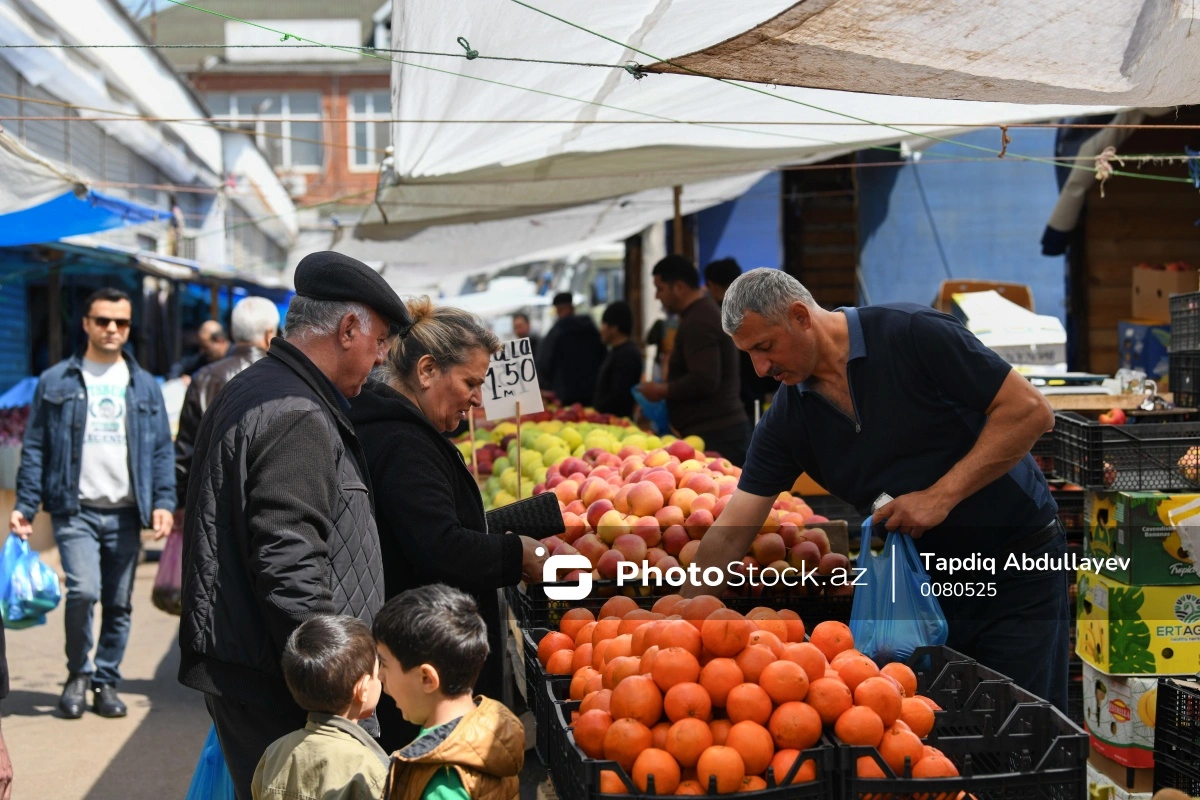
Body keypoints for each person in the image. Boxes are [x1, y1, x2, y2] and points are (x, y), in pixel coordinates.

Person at [682, 268, 1068, 711]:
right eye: (748, 355)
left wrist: (941, 495)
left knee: (1024, 729)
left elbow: (1031, 411)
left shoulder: (911, 333)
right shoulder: (788, 421)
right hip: (924, 589)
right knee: (943, 735)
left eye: (765, 347)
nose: (760, 369)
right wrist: (681, 615)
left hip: (1015, 565)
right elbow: (733, 529)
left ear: (800, 316)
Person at [178, 251, 411, 800]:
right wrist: (338, 683)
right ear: (348, 328)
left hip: (260, 666)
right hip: (283, 683)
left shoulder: (263, 386)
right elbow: (288, 559)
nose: (380, 360)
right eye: (379, 342)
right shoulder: (296, 412)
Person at [347, 299, 547, 752]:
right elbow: (439, 546)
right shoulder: (404, 443)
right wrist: (519, 554)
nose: (478, 397)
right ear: (427, 370)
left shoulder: (403, 430)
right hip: (423, 659)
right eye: (471, 382)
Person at [12, 287, 175, 720]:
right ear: (85, 324)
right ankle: (77, 675)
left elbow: (161, 449)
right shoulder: (56, 381)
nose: (112, 329)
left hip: (125, 512)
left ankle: (106, 680)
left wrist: (162, 501)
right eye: (102, 320)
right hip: (75, 509)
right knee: (83, 591)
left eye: (121, 322)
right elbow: (36, 447)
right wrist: (25, 506)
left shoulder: (144, 385)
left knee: (119, 601)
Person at [374, 584, 524, 800]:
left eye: (384, 664)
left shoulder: (442, 777)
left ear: (427, 678)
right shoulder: (490, 729)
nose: (379, 675)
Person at [251, 615, 389, 800]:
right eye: (377, 671)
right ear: (363, 689)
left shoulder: (274, 754)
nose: (381, 677)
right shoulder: (370, 769)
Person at [637, 256, 751, 465]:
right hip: (715, 432)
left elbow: (705, 379)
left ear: (679, 287)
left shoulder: (699, 320)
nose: (656, 296)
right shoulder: (698, 314)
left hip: (717, 435)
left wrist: (662, 390)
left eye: (660, 289)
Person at [174, 296, 280, 507]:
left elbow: (186, 451)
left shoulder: (204, 378)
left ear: (232, 333)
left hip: (210, 503)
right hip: (267, 502)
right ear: (270, 335)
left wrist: (181, 503)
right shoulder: (284, 380)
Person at [704, 258, 776, 423]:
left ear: (712, 285)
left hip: (732, 404)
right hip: (757, 393)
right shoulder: (756, 309)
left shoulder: (715, 318)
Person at [535, 292, 605, 406]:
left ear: (557, 310)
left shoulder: (555, 333)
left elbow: (543, 364)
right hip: (593, 394)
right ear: (573, 308)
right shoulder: (591, 329)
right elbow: (603, 356)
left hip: (564, 398)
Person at [593, 301, 643, 418]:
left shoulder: (627, 355)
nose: (600, 330)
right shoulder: (616, 352)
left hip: (617, 424)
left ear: (614, 328)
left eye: (603, 324)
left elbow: (619, 396)